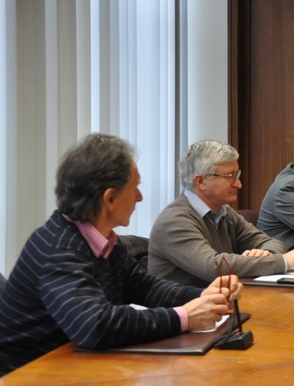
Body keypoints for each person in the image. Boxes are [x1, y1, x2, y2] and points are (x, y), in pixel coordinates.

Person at [0, 134, 242, 376]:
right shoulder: (56, 248)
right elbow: (95, 325)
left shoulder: (101, 239)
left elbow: (146, 288)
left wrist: (205, 295)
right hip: (31, 375)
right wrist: (184, 317)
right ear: (110, 198)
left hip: (76, 366)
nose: (140, 197)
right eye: (135, 187)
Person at [149, 140, 294, 287]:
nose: (238, 184)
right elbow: (213, 267)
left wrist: (267, 253)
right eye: (230, 176)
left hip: (218, 304)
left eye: (237, 175)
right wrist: (282, 261)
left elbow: (271, 242)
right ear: (200, 181)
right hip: (183, 313)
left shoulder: (224, 212)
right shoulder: (174, 221)